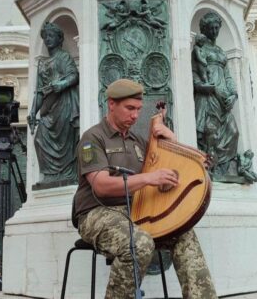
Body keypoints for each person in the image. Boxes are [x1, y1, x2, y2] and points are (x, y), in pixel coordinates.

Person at [72, 78, 218, 298]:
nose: (135, 115)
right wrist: (149, 178)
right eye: (129, 108)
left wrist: (172, 140)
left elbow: (166, 170)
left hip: (137, 210)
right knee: (138, 243)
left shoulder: (138, 141)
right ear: (111, 104)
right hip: (96, 212)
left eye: (139, 109)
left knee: (184, 233)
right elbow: (101, 186)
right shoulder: (92, 138)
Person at [28, 22, 79, 185]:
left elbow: (74, 76)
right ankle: (51, 175)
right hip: (48, 108)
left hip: (64, 104)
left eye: (51, 36)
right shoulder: (42, 64)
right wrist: (32, 112)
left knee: (66, 139)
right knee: (39, 139)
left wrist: (61, 85)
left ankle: (66, 173)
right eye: (45, 37)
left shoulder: (64, 57)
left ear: (59, 39)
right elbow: (39, 92)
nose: (47, 39)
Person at [192, 12, 239, 179]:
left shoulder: (221, 51)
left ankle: (224, 166)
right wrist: (200, 86)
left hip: (223, 96)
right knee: (209, 131)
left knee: (233, 131)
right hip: (208, 95)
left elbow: (227, 76)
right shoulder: (199, 49)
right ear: (205, 29)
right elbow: (194, 73)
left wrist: (233, 94)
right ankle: (209, 167)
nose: (214, 30)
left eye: (216, 27)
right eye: (210, 28)